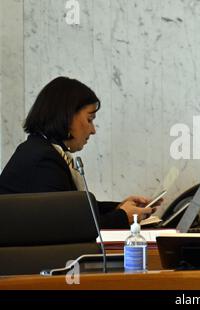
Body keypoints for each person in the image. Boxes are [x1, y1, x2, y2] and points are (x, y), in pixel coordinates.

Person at [0, 76, 160, 229]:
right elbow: (69, 226)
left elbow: (74, 210)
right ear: (66, 116)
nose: (93, 130)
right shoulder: (43, 159)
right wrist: (122, 216)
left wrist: (118, 208)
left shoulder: (43, 149)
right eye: (89, 119)